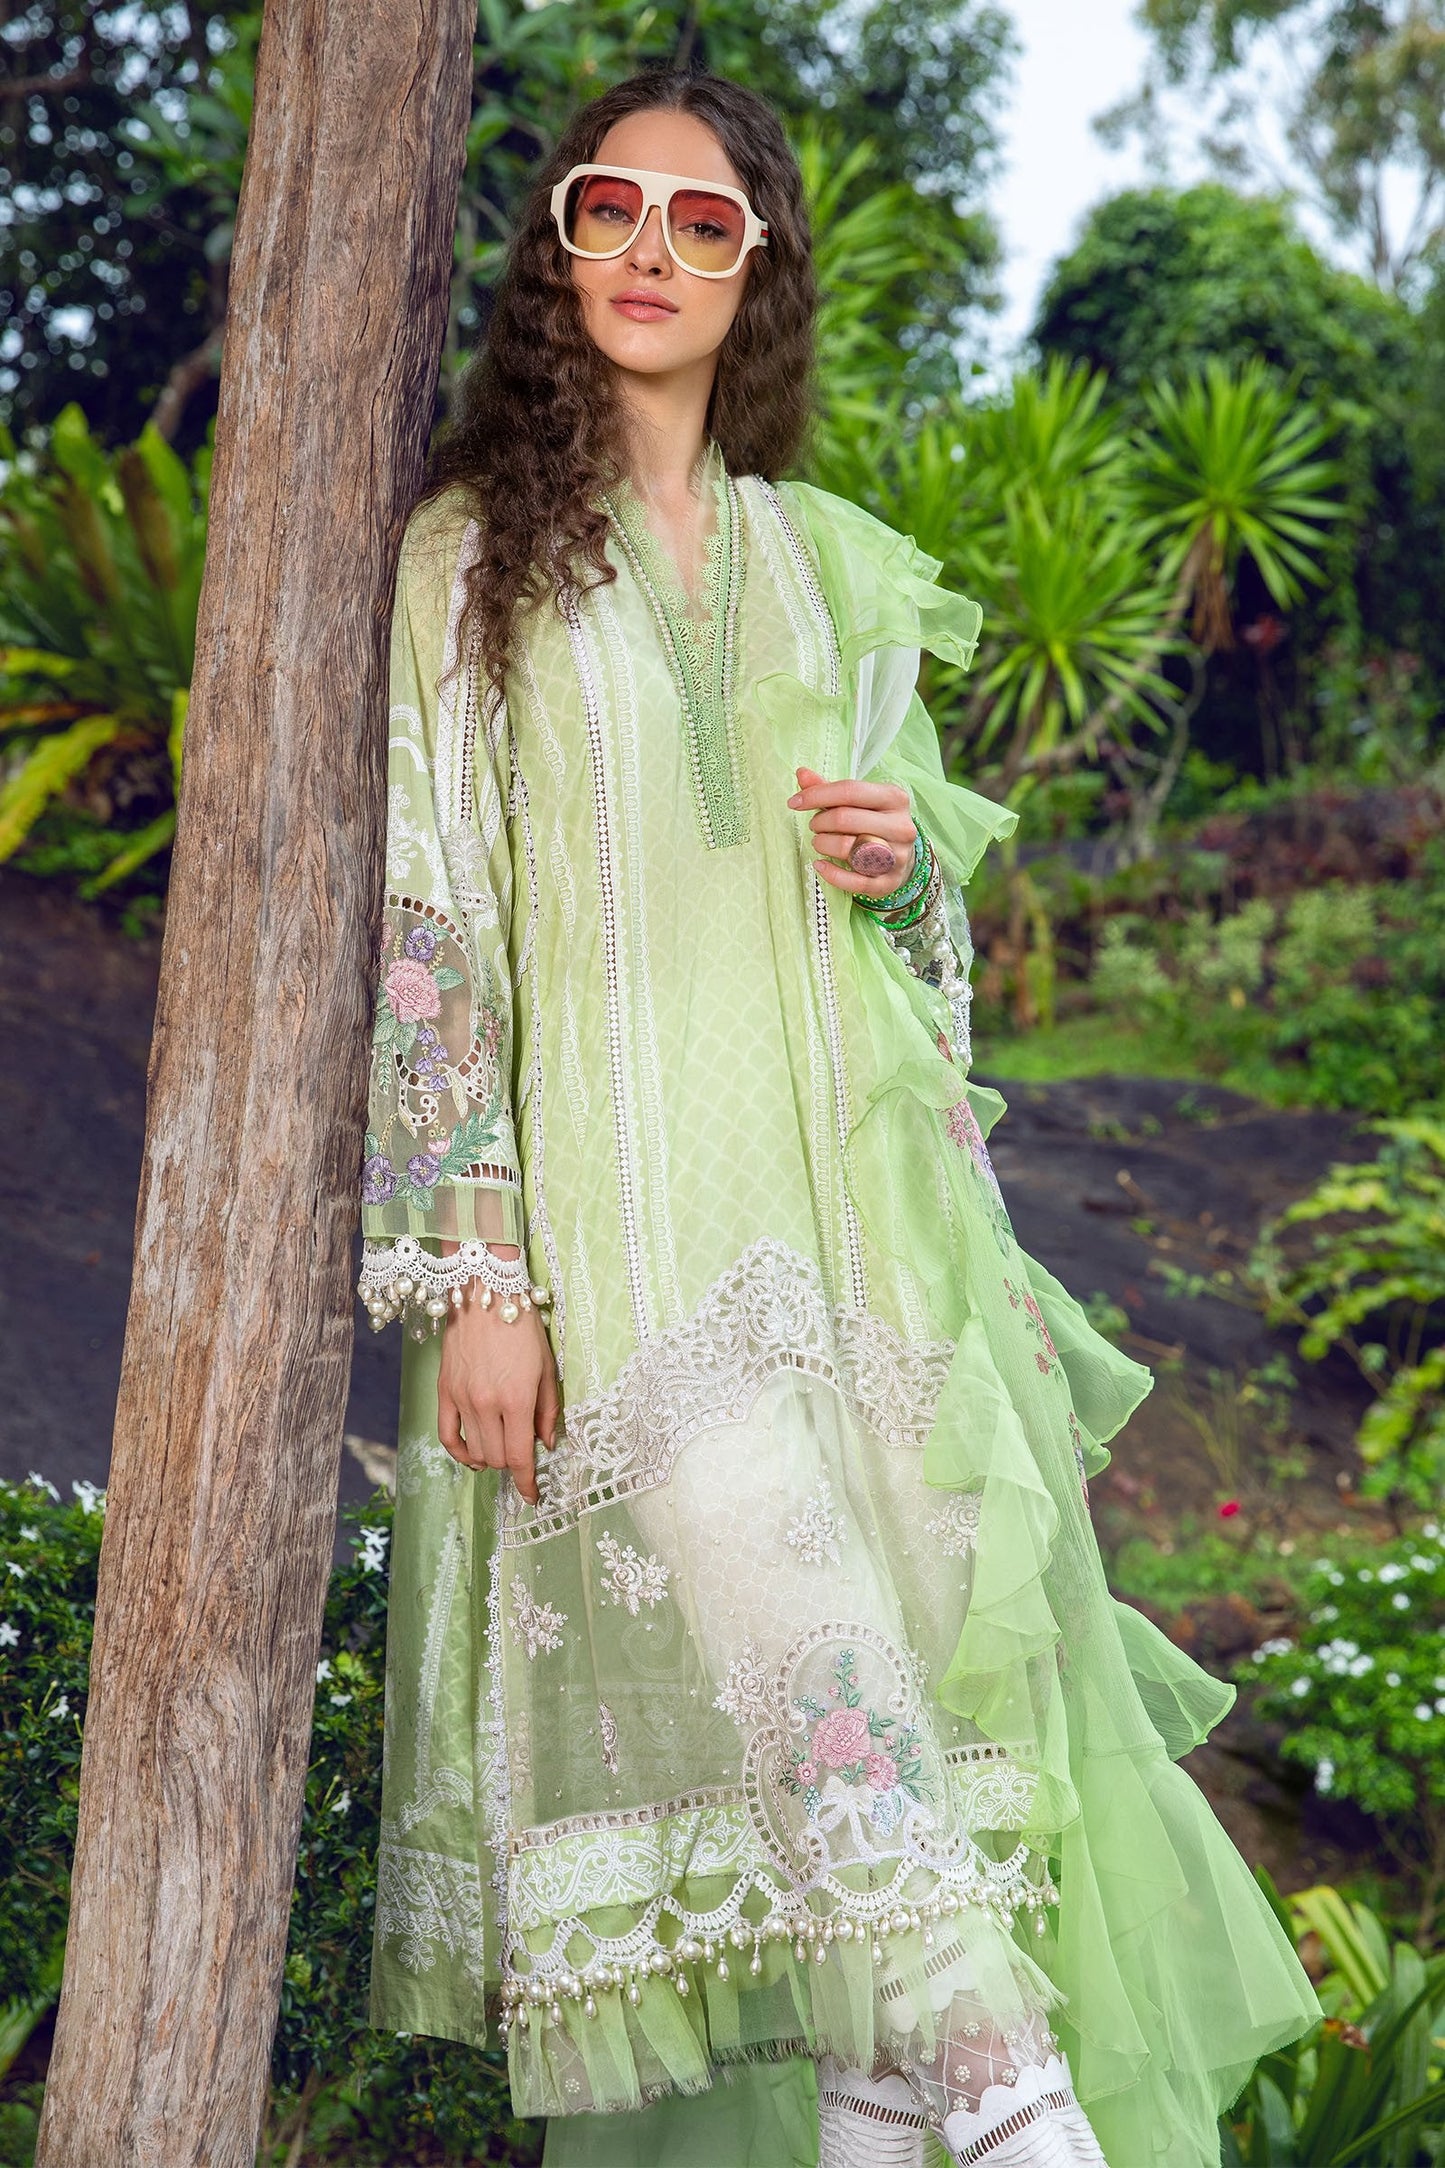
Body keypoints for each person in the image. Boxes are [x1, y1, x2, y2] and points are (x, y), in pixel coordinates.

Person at [357, 66, 1319, 2168]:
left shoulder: (826, 566)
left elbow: (922, 990)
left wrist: (902, 872)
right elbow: (438, 925)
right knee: (856, 1760)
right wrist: (479, 1273)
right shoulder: (469, 560)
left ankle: (921, 2105)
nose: (649, 253)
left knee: (896, 1860)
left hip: (864, 1275)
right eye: (611, 207)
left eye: (702, 225)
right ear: (557, 243)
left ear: (760, 273)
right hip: (631, 1268)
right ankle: (1025, 2116)